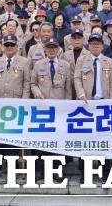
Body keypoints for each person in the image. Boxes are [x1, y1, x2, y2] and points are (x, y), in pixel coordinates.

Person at [0, 35, 31, 180]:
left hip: (16, 105)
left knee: (12, 138)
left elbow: (27, 84)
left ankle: (11, 169)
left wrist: (23, 102)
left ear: (17, 46)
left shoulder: (25, 62)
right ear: (3, 47)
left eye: (12, 45)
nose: (9, 48)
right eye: (7, 45)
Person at [73, 33, 112, 182]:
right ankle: (85, 173)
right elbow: (77, 78)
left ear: (102, 46)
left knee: (104, 141)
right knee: (86, 141)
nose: (95, 46)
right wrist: (80, 95)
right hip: (87, 104)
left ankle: (104, 173)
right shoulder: (81, 60)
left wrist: (111, 102)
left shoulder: (109, 61)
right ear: (88, 45)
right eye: (92, 44)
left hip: (103, 105)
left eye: (98, 44)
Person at [30, 36, 74, 180]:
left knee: (57, 141)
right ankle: (41, 170)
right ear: (44, 49)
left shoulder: (65, 66)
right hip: (43, 108)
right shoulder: (38, 64)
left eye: (54, 47)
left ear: (59, 49)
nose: (51, 50)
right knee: (42, 140)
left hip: (59, 109)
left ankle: (57, 170)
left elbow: (68, 88)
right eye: (49, 47)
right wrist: (38, 94)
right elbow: (33, 84)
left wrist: (67, 106)